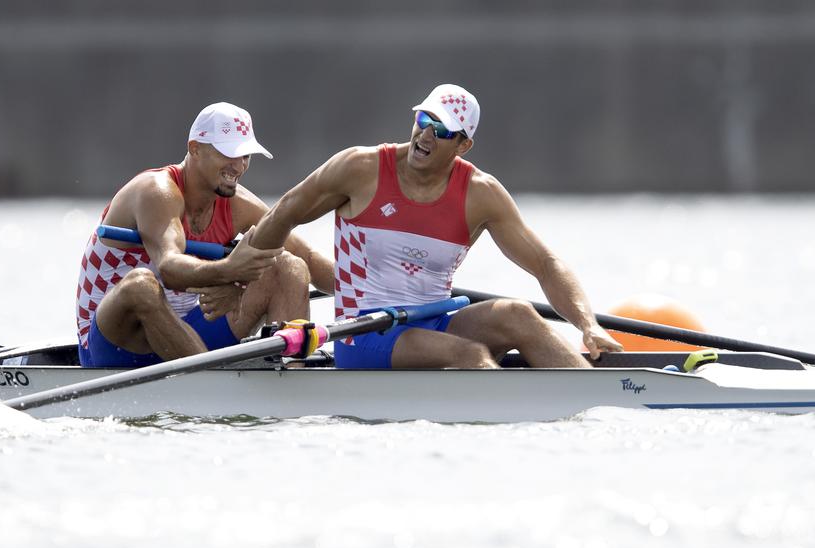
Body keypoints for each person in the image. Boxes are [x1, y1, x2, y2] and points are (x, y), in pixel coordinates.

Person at [243, 84, 622, 369]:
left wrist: (587, 325)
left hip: (434, 323)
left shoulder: (480, 194)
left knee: (518, 314)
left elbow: (546, 263)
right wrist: (235, 276)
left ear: (463, 145)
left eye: (442, 131)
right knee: (469, 354)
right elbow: (283, 215)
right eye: (424, 120)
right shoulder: (360, 169)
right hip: (363, 334)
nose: (426, 135)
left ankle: (591, 399)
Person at [75, 102, 333, 367]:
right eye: (229, 153)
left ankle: (289, 384)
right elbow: (169, 268)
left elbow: (310, 258)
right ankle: (211, 384)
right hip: (115, 343)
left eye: (245, 155)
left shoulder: (239, 205)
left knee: (290, 267)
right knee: (141, 285)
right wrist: (231, 271)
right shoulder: (155, 192)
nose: (239, 166)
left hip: (188, 332)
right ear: (194, 148)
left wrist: (369, 287)